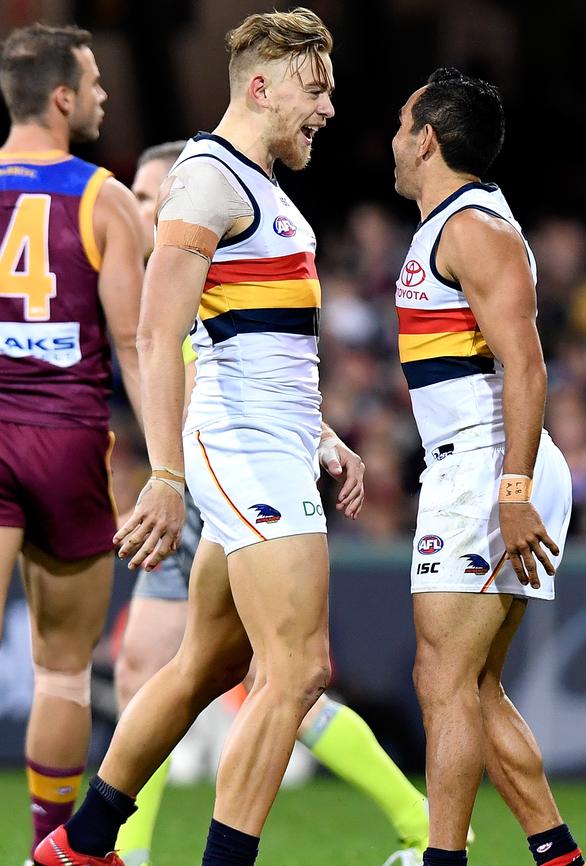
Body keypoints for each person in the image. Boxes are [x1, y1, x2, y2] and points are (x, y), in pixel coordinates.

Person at [35, 10, 364, 866]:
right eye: (315, 87)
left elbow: (250, 336)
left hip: (274, 440)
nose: (327, 107)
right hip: (241, 449)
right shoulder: (207, 177)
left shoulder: (256, 183)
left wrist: (320, 431)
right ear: (262, 86)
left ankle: (83, 842)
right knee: (297, 672)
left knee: (207, 662)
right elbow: (155, 331)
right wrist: (167, 473)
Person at [113, 140, 434, 866]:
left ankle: (412, 815)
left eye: (150, 194)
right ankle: (118, 848)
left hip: (214, 484)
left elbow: (231, 377)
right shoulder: (147, 274)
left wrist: (167, 472)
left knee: (271, 675)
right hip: (200, 481)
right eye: (134, 194)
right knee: (196, 669)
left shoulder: (195, 259)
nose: (140, 207)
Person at [391, 68, 586, 866]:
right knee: (469, 686)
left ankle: (443, 861)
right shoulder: (456, 223)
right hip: (480, 463)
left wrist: (510, 492)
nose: (393, 140)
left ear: (428, 138)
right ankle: (559, 856)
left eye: (403, 124)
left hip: (487, 463)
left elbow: (528, 368)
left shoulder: (472, 229)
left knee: (441, 679)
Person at [0, 23, 144, 865]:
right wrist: (164, 465)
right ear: (61, 98)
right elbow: (139, 346)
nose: (101, 96)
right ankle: (49, 852)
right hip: (66, 437)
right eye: (92, 83)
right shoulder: (103, 197)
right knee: (61, 669)